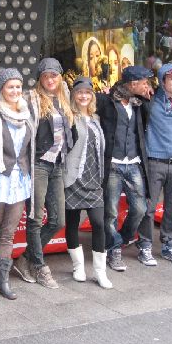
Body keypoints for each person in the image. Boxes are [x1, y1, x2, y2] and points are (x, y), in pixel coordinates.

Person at [13, 58, 73, 289]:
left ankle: (25, 258)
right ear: (40, 78)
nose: (50, 79)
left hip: (57, 165)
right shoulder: (31, 99)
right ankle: (39, 265)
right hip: (38, 164)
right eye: (46, 75)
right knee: (36, 218)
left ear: (59, 77)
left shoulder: (64, 99)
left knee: (58, 220)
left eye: (54, 75)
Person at [0, 68, 34, 300]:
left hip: (20, 179)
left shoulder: (27, 113)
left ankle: (2, 280)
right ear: (1, 89)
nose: (15, 91)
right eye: (10, 86)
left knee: (7, 232)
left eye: (18, 87)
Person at [96, 66, 152, 272]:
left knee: (140, 208)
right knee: (110, 211)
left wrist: (148, 98)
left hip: (134, 162)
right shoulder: (107, 101)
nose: (147, 85)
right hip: (113, 163)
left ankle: (123, 237)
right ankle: (114, 249)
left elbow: (149, 120)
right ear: (132, 83)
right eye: (144, 82)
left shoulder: (140, 103)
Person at [137, 63, 172, 265]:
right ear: (162, 81)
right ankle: (145, 246)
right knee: (149, 207)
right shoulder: (150, 101)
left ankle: (169, 245)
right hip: (155, 162)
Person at [64, 77, 112, 288]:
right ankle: (78, 267)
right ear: (73, 95)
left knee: (99, 224)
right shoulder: (68, 117)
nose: (83, 96)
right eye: (79, 92)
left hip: (94, 179)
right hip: (73, 178)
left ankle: (100, 272)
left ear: (92, 96)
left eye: (87, 92)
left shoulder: (96, 118)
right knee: (72, 224)